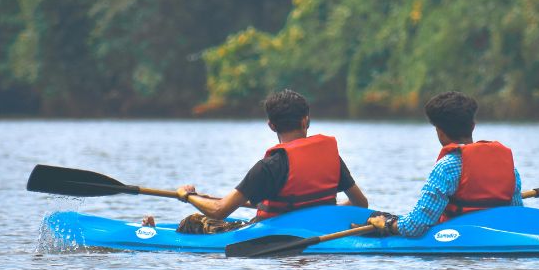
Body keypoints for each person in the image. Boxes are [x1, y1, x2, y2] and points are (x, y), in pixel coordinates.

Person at [143, 89, 369, 234]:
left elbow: (219, 211)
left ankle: (151, 233)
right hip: (323, 230)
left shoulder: (269, 166)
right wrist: (322, 211)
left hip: (273, 234)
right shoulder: (330, 157)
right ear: (305, 121)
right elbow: (360, 203)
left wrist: (188, 196)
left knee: (191, 222)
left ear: (271, 125)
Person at [366, 91, 523, 237]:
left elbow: (415, 227)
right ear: (473, 126)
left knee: (378, 217)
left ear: (440, 132)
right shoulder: (509, 168)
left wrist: (388, 224)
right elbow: (516, 213)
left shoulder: (447, 167)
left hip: (457, 237)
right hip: (500, 235)